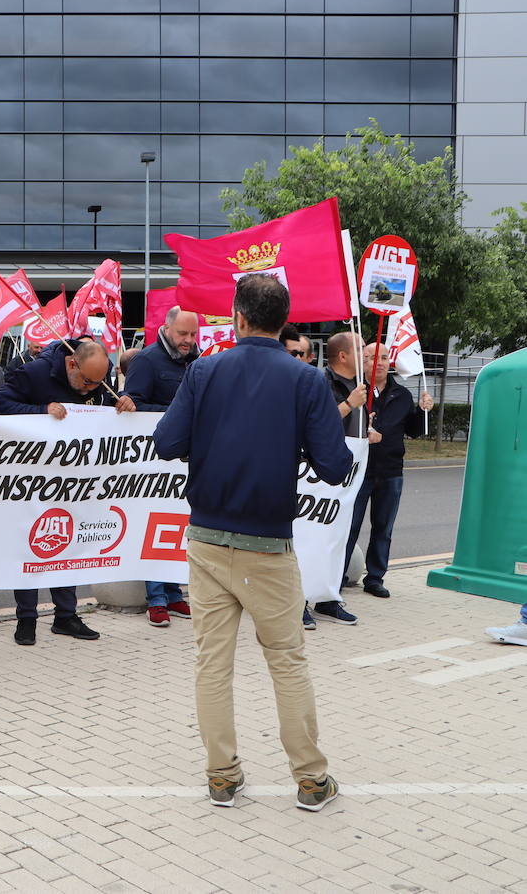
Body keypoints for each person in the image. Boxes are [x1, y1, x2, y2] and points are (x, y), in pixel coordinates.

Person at [154, 273, 352, 811]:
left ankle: (222, 775)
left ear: (238, 317)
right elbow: (334, 466)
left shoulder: (203, 371)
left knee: (211, 663)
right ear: (283, 321)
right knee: (286, 659)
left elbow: (167, 442)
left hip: (207, 540)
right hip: (269, 543)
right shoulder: (306, 381)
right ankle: (311, 780)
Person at [0, 338, 135, 644]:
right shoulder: (34, 373)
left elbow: (104, 404)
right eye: (86, 381)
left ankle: (66, 616)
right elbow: (0, 404)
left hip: (75, 481)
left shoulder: (97, 375)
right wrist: (42, 410)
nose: (90, 388)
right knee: (31, 545)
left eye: (98, 382)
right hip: (32, 479)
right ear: (72, 363)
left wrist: (121, 402)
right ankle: (26, 619)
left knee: (69, 543)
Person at [125, 307, 199, 628]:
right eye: (183, 333)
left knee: (178, 525)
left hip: (187, 460)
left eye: (193, 334)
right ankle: (155, 599)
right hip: (155, 461)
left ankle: (173, 592)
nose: (189, 340)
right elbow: (133, 405)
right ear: (167, 328)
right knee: (153, 526)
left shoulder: (197, 362)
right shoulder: (146, 360)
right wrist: (177, 413)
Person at [343, 342, 433, 599]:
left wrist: (423, 411)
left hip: (391, 471)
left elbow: (415, 431)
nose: (380, 362)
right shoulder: (355, 392)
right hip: (358, 470)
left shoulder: (402, 394)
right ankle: (336, 577)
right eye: (373, 358)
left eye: (384, 357)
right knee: (349, 527)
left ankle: (375, 578)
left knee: (383, 527)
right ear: (364, 361)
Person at [310, 330, 368, 626]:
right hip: (321, 473)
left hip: (349, 472)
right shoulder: (320, 382)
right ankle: (299, 601)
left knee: (339, 535)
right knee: (311, 535)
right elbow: (318, 423)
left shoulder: (360, 385)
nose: (366, 353)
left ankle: (328, 598)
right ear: (342, 356)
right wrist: (350, 404)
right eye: (360, 348)